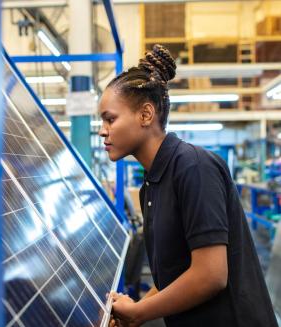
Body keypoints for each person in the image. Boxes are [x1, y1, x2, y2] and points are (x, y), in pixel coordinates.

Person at [98, 44, 278, 327]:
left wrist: (141, 313)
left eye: (110, 118)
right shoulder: (152, 185)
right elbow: (175, 277)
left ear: (146, 115)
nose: (102, 129)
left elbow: (211, 275)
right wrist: (137, 309)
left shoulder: (193, 167)